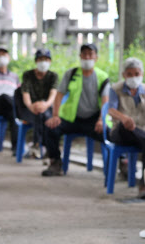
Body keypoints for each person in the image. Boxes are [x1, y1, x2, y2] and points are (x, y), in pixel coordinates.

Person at [43, 43, 110, 176]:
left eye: (90, 54)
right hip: (71, 119)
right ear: (80, 56)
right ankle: (55, 162)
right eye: (84, 54)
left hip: (93, 120)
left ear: (96, 57)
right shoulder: (71, 74)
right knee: (50, 128)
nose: (87, 57)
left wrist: (101, 120)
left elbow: (105, 101)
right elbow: (59, 95)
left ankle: (120, 162)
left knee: (110, 133)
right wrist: (55, 115)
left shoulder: (102, 77)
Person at [107, 57, 145, 198]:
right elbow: (111, 109)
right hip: (120, 132)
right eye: (130, 74)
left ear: (141, 73)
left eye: (137, 74)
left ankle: (143, 184)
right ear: (124, 75)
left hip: (140, 133)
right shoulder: (115, 89)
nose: (134, 77)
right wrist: (123, 118)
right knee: (126, 127)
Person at [16, 48, 59, 154]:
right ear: (36, 61)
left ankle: (38, 144)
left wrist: (45, 105)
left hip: (46, 108)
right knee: (40, 114)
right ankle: (43, 146)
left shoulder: (53, 76)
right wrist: (32, 107)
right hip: (29, 109)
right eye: (40, 59)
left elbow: (53, 95)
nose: (43, 62)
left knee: (44, 115)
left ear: (50, 61)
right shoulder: (28, 75)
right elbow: (25, 94)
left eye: (46, 59)